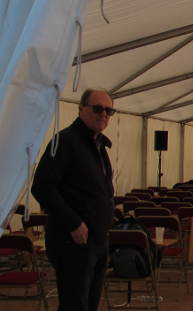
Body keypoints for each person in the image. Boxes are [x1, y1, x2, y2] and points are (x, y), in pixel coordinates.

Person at [32, 89, 116, 311]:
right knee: (74, 304)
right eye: (97, 108)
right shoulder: (65, 141)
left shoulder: (98, 145)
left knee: (89, 303)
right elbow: (41, 187)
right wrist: (73, 222)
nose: (104, 114)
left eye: (109, 110)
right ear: (81, 109)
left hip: (97, 240)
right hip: (73, 241)